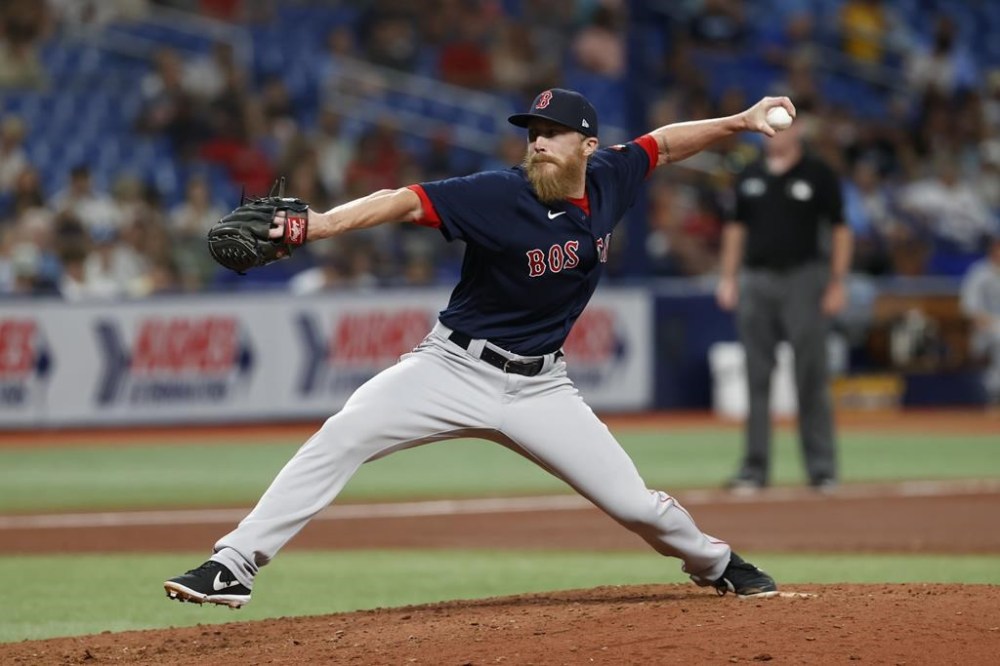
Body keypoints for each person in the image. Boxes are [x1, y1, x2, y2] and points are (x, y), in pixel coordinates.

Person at [164, 88, 795, 608]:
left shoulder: (609, 177)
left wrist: (739, 121)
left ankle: (716, 563)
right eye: (532, 131)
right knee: (342, 433)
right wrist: (325, 224)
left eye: (553, 131)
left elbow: (664, 145)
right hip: (452, 366)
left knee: (635, 505)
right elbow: (402, 200)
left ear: (588, 146)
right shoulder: (499, 193)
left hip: (542, 387)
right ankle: (233, 563)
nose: (539, 141)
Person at [716, 111, 853, 493]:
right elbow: (735, 229)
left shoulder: (818, 174)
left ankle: (822, 469)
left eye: (783, 127)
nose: (775, 134)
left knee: (810, 374)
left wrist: (837, 282)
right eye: (771, 128)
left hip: (804, 279)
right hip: (757, 279)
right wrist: (728, 278)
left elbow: (841, 230)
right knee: (756, 376)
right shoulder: (749, 175)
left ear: (800, 131)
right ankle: (754, 468)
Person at [960, 235, 1000, 408]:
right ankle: (995, 393)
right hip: (984, 331)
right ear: (993, 250)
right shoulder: (979, 273)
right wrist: (994, 322)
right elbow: (970, 309)